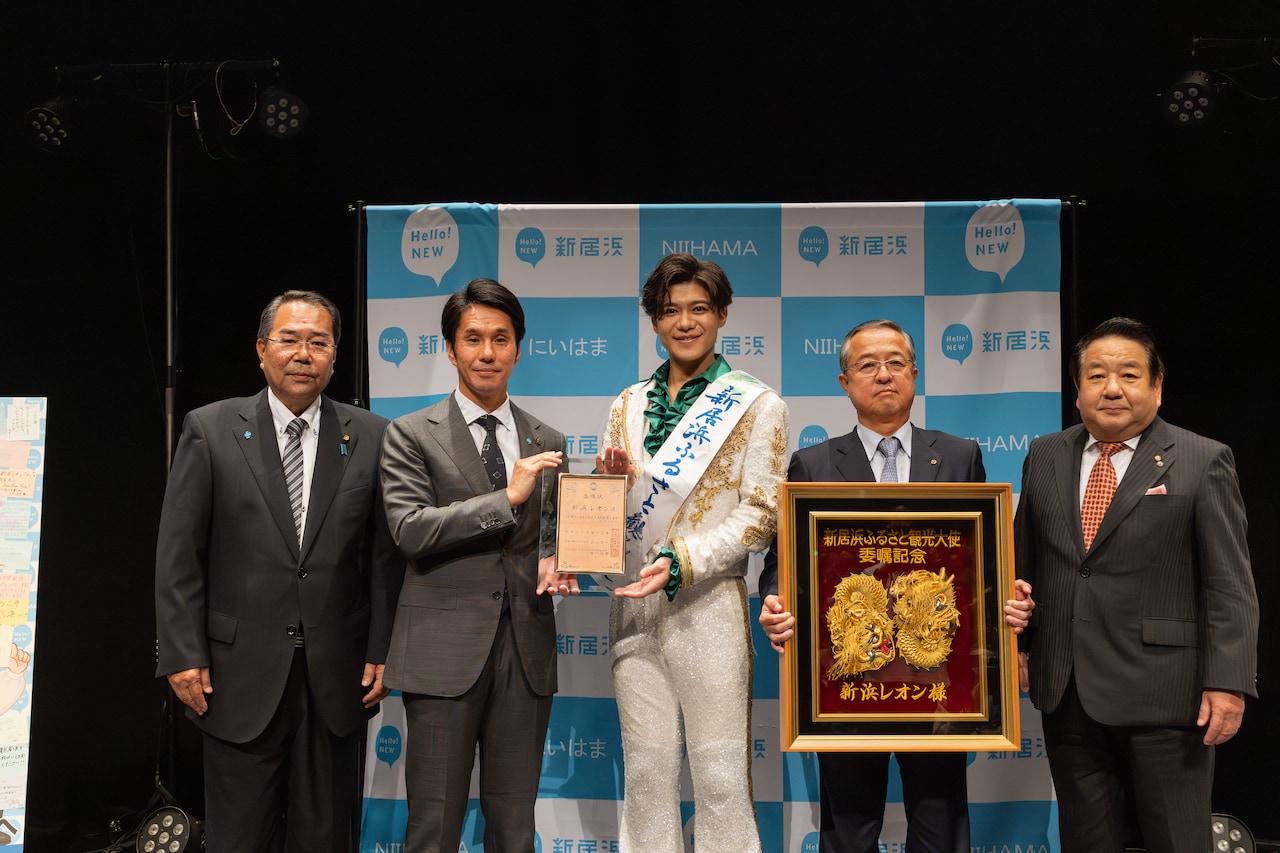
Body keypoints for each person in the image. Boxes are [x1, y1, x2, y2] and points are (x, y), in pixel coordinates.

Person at [757, 318, 1033, 853]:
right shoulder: (812, 463)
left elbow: (982, 559)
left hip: (939, 678)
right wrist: (775, 597)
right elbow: (781, 560)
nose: (883, 375)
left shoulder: (959, 455)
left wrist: (1006, 601)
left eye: (895, 363)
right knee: (850, 826)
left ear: (914, 374)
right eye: (867, 365)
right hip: (848, 678)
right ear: (844, 381)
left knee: (939, 820)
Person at [155, 290, 403, 852]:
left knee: (325, 837)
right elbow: (179, 554)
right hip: (234, 676)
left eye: (319, 342)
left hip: (338, 678)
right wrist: (181, 653)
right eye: (289, 340)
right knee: (238, 837)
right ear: (262, 350)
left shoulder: (372, 435)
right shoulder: (210, 429)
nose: (303, 354)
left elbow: (385, 558)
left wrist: (383, 647)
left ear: (335, 357)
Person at [1013, 316, 1257, 853]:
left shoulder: (1202, 459)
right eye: (1096, 375)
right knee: (1086, 841)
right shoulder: (1046, 455)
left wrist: (1229, 681)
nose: (1113, 388)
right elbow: (1022, 565)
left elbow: (1230, 584)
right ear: (1077, 389)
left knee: (1177, 841)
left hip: (1168, 693)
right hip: (1067, 688)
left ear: (1157, 385)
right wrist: (1020, 646)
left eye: (1128, 373)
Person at [594, 252, 789, 853]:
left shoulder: (758, 405)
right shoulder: (625, 404)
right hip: (632, 608)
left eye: (698, 308)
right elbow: (607, 509)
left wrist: (683, 558)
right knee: (647, 777)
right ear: (654, 320)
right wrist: (612, 486)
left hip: (709, 608)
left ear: (722, 314)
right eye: (670, 310)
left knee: (722, 778)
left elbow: (763, 513)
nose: (685, 321)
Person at [379, 277, 575, 853]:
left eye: (501, 338)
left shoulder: (548, 439)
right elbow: (410, 530)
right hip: (442, 652)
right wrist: (506, 500)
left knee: (514, 829)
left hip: (526, 651)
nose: (487, 353)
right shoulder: (411, 434)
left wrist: (565, 551)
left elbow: (554, 540)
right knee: (432, 827)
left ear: (520, 347)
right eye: (473, 339)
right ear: (450, 348)